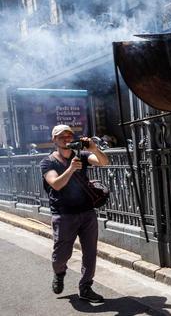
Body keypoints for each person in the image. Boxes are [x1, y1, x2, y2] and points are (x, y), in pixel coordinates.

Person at [40, 125, 109, 302]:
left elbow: (104, 162)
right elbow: (55, 183)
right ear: (54, 140)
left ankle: (85, 287)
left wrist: (94, 148)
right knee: (61, 254)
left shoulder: (82, 156)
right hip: (64, 215)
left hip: (87, 212)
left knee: (90, 252)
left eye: (69, 135)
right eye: (61, 136)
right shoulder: (48, 162)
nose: (66, 139)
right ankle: (59, 272)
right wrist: (71, 169)